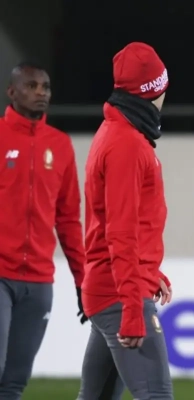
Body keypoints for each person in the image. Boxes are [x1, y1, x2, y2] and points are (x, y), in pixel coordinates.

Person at [77, 42, 174, 400]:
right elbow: (120, 232)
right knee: (157, 395)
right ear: (155, 90)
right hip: (119, 295)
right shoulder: (127, 145)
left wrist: (149, 271)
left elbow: (120, 226)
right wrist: (133, 308)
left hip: (112, 288)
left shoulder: (116, 133)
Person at [0, 62, 87, 399]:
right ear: (11, 92)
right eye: (32, 85)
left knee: (15, 381)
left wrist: (82, 281)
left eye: (46, 87)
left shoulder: (60, 145)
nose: (41, 92)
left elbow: (68, 219)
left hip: (38, 282)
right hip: (1, 274)